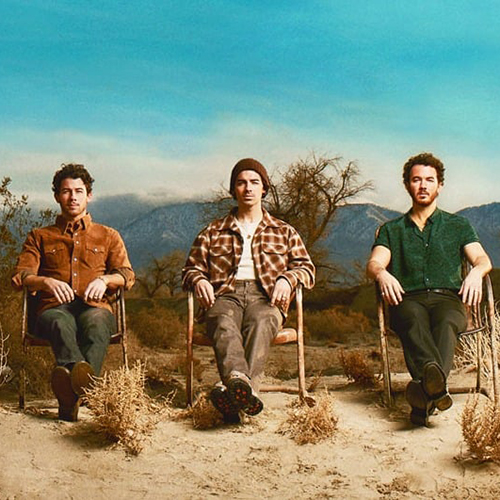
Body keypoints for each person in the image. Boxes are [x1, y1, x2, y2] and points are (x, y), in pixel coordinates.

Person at [182, 158, 315, 423]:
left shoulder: (284, 231)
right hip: (224, 296)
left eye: (254, 182)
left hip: (265, 297)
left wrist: (287, 279)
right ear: (234, 190)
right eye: (241, 183)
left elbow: (307, 269)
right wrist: (200, 281)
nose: (248, 188)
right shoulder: (212, 231)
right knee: (222, 322)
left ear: (264, 188)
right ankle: (243, 390)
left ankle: (234, 394)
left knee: (262, 320)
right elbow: (190, 269)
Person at [366, 152, 492, 426]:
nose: (423, 185)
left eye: (429, 180)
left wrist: (477, 273)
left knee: (447, 322)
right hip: (407, 300)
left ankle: (424, 394)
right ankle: (433, 389)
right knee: (412, 321)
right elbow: (375, 263)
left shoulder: (458, 225)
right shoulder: (392, 229)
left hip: (449, 299)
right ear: (407, 185)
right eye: (416, 180)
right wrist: (382, 274)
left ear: (440, 186)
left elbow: (482, 259)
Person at [12, 164, 135, 421]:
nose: (73, 197)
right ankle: (86, 390)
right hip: (52, 310)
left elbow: (127, 275)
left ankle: (69, 400)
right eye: (66, 191)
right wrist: (45, 282)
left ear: (89, 195)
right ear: (57, 196)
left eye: (79, 191)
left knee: (98, 321)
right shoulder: (39, 237)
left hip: (95, 307)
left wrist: (106, 280)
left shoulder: (108, 236)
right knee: (60, 321)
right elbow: (20, 276)